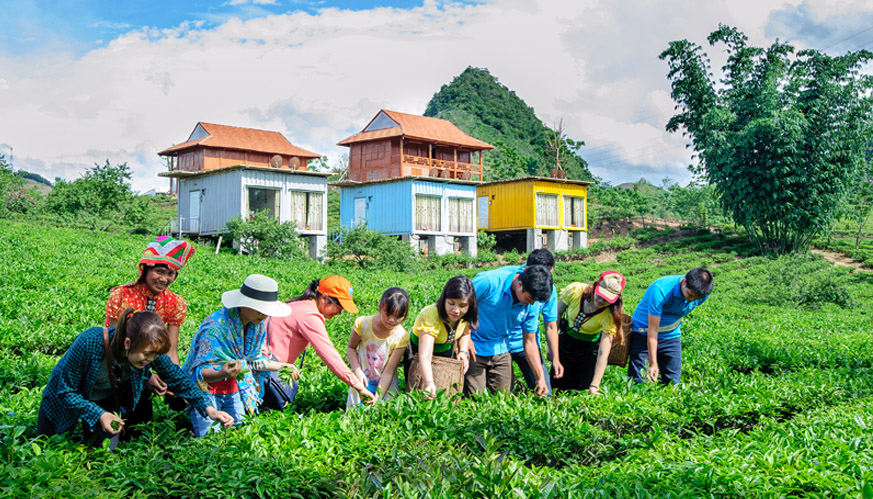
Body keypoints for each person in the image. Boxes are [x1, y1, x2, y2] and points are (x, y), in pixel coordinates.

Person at [38, 309, 233, 450]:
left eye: (154, 356)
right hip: (62, 400)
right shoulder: (90, 342)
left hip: (103, 399)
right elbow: (65, 391)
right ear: (128, 343)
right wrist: (99, 414)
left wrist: (210, 409)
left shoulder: (151, 349)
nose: (150, 360)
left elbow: (178, 379)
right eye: (147, 354)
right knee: (49, 445)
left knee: (103, 452)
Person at [182, 274, 293, 437]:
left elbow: (252, 361)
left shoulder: (257, 327)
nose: (264, 315)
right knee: (210, 438)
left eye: (266, 311)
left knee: (238, 435)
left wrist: (282, 366)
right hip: (206, 393)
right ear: (243, 304)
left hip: (234, 389)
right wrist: (222, 373)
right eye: (260, 309)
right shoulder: (215, 328)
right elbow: (199, 372)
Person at [105, 235, 194, 413]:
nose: (164, 279)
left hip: (148, 361)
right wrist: (147, 377)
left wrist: (171, 378)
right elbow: (113, 345)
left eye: (171, 274)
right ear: (145, 269)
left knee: (142, 425)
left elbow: (171, 349)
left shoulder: (174, 302)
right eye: (159, 271)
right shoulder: (122, 295)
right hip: (118, 368)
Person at [266, 276, 377, 405]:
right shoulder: (309, 315)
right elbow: (330, 355)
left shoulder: (300, 305)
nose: (340, 313)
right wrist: (358, 386)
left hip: (267, 368)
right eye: (339, 307)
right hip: (265, 371)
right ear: (324, 298)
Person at [465, 265, 553, 396]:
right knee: (475, 398)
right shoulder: (488, 282)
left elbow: (530, 341)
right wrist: (465, 337)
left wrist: (539, 377)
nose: (531, 304)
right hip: (474, 348)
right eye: (529, 299)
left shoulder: (531, 304)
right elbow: (458, 307)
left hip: (501, 349)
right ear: (520, 284)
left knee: (504, 398)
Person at [627, 267, 714, 385]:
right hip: (644, 332)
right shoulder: (661, 289)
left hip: (671, 334)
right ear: (684, 282)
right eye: (690, 295)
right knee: (639, 379)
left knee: (673, 382)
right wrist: (653, 363)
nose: (691, 300)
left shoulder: (702, 294)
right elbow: (652, 331)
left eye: (696, 298)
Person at [550, 271, 626, 395]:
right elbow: (556, 314)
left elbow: (603, 353)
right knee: (557, 386)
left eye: (607, 299)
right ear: (596, 286)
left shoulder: (610, 315)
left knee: (581, 388)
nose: (601, 301)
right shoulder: (575, 290)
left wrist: (594, 385)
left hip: (588, 350)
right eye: (600, 295)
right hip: (565, 343)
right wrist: (552, 348)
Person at [407, 276, 478, 399]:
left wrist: (463, 351)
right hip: (418, 350)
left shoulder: (466, 315)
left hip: (445, 347)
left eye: (462, 305)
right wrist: (429, 383)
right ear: (444, 299)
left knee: (443, 387)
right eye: (451, 303)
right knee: (418, 388)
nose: (456, 310)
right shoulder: (431, 315)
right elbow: (425, 355)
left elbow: (465, 332)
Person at [505, 249, 563, 395]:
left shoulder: (548, 289)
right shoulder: (510, 279)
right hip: (500, 344)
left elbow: (550, 325)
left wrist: (555, 358)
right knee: (503, 393)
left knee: (544, 393)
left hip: (528, 343)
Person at [346, 287, 410, 408]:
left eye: (398, 317)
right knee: (355, 415)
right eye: (388, 314)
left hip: (386, 385)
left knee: (381, 417)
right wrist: (357, 371)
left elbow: (389, 370)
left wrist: (378, 396)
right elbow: (351, 348)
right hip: (361, 379)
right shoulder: (362, 324)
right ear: (380, 307)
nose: (392, 320)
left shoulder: (401, 337)